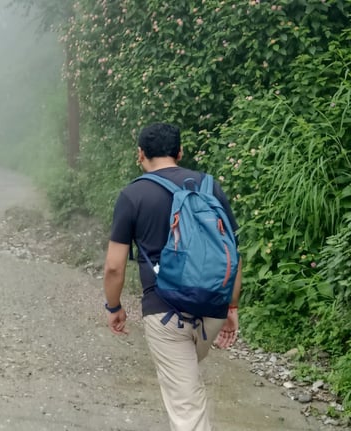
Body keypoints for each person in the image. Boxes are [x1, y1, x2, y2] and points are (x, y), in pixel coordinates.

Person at [103, 123, 242, 431]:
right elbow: (233, 252)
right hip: (213, 307)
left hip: (165, 313)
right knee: (187, 386)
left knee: (187, 407)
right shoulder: (209, 187)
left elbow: (114, 266)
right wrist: (231, 306)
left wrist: (114, 307)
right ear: (180, 152)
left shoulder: (132, 195)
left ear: (140, 154)